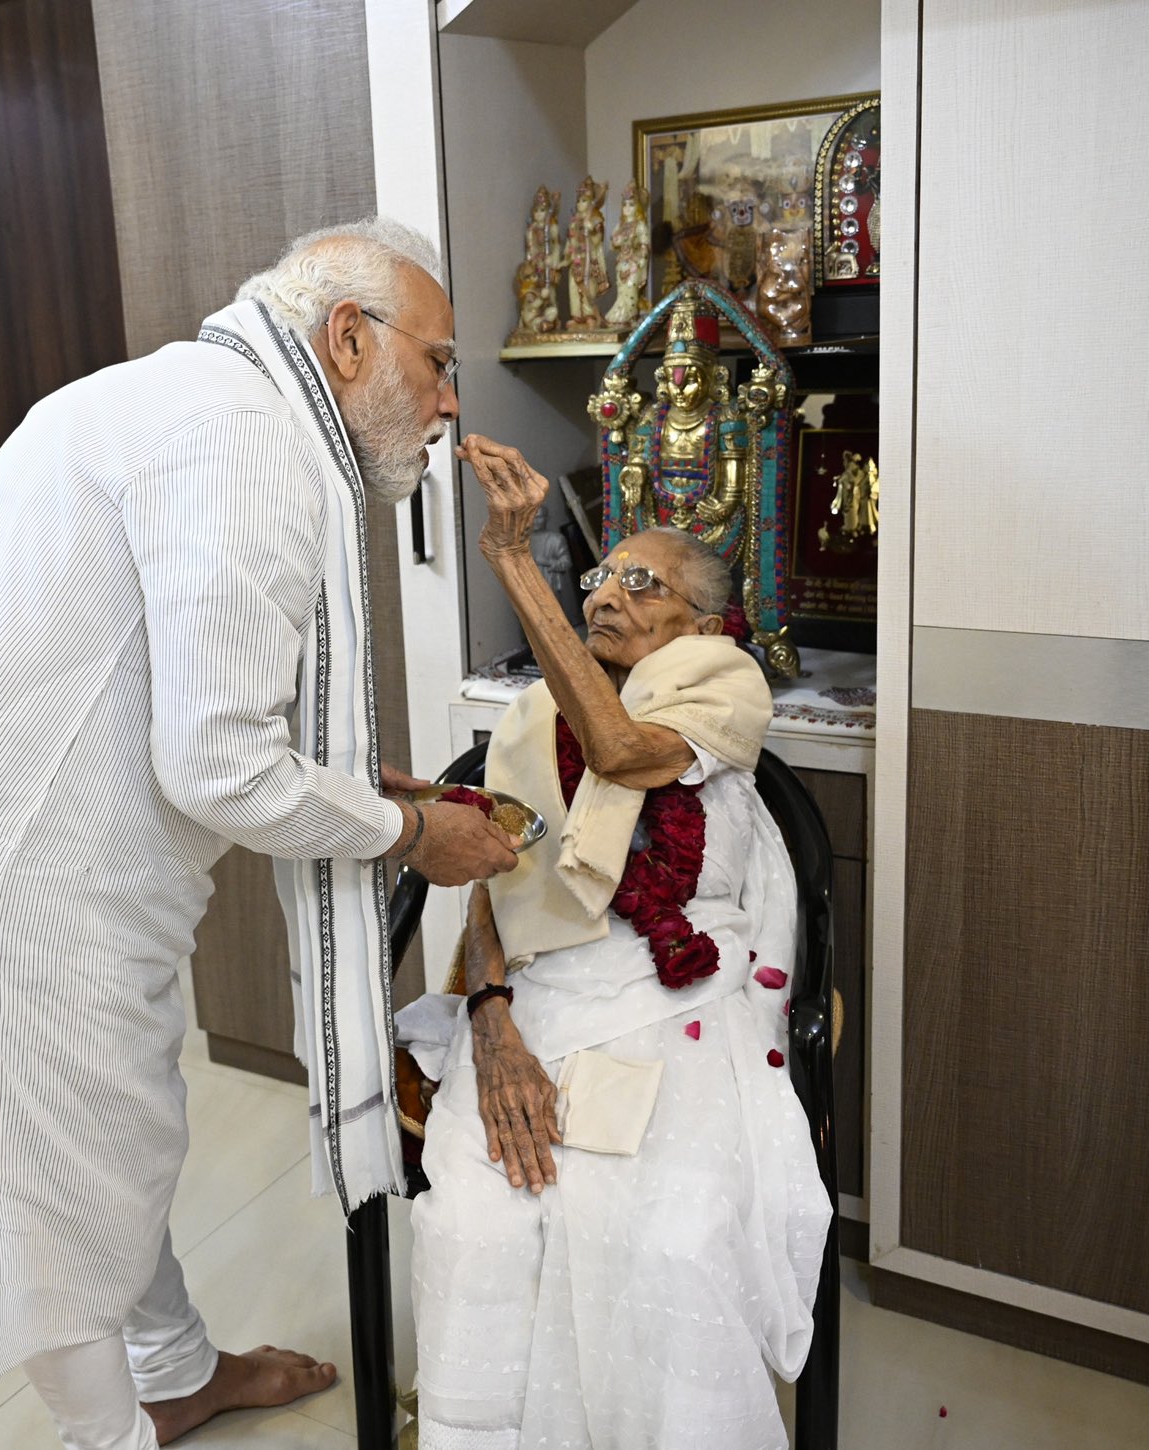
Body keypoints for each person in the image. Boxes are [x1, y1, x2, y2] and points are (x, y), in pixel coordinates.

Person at [0, 218, 519, 1450]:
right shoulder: (247, 442)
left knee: (105, 1141)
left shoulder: (198, 395)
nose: (450, 401)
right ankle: (111, 1433)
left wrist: (365, 784)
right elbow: (216, 765)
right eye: (439, 360)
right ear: (347, 339)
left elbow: (197, 694)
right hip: (6, 849)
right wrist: (411, 833)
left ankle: (178, 1371)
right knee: (71, 1173)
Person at [399, 437, 832, 1448]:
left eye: (642, 582)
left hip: (679, 994)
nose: (603, 594)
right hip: (541, 996)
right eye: (598, 575)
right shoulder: (526, 718)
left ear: (701, 620)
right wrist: (491, 1020)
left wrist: (517, 564)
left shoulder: (721, 682)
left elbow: (622, 751)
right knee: (475, 1223)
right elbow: (492, 875)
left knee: (668, 1234)